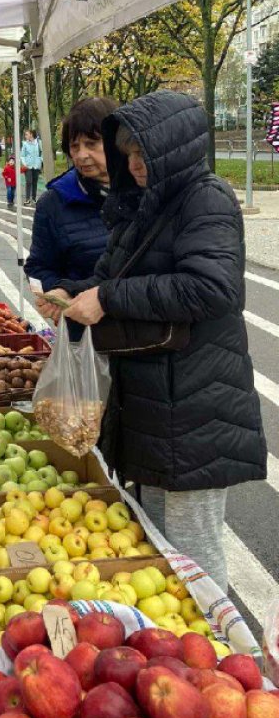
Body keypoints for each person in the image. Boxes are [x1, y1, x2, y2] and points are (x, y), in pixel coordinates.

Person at [37, 91, 267, 592]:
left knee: (193, 554)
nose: (134, 164)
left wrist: (109, 297)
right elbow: (109, 277)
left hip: (195, 405)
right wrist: (69, 293)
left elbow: (213, 289)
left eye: (143, 153)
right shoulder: (142, 203)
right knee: (162, 546)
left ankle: (226, 661)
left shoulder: (205, 197)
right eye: (127, 154)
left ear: (173, 150)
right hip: (153, 402)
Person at [25, 98, 117, 298]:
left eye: (91, 144)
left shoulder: (146, 192)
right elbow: (38, 268)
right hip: (85, 325)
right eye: (75, 146)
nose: (82, 155)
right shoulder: (52, 204)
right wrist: (60, 291)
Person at [20, 130, 43, 205]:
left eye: (27, 134)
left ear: (31, 135)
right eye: (25, 134)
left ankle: (33, 198)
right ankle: (27, 199)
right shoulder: (25, 144)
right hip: (28, 166)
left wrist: (41, 160)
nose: (25, 136)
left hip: (36, 166)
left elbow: (42, 152)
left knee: (35, 182)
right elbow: (22, 155)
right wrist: (24, 163)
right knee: (29, 181)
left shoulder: (39, 143)